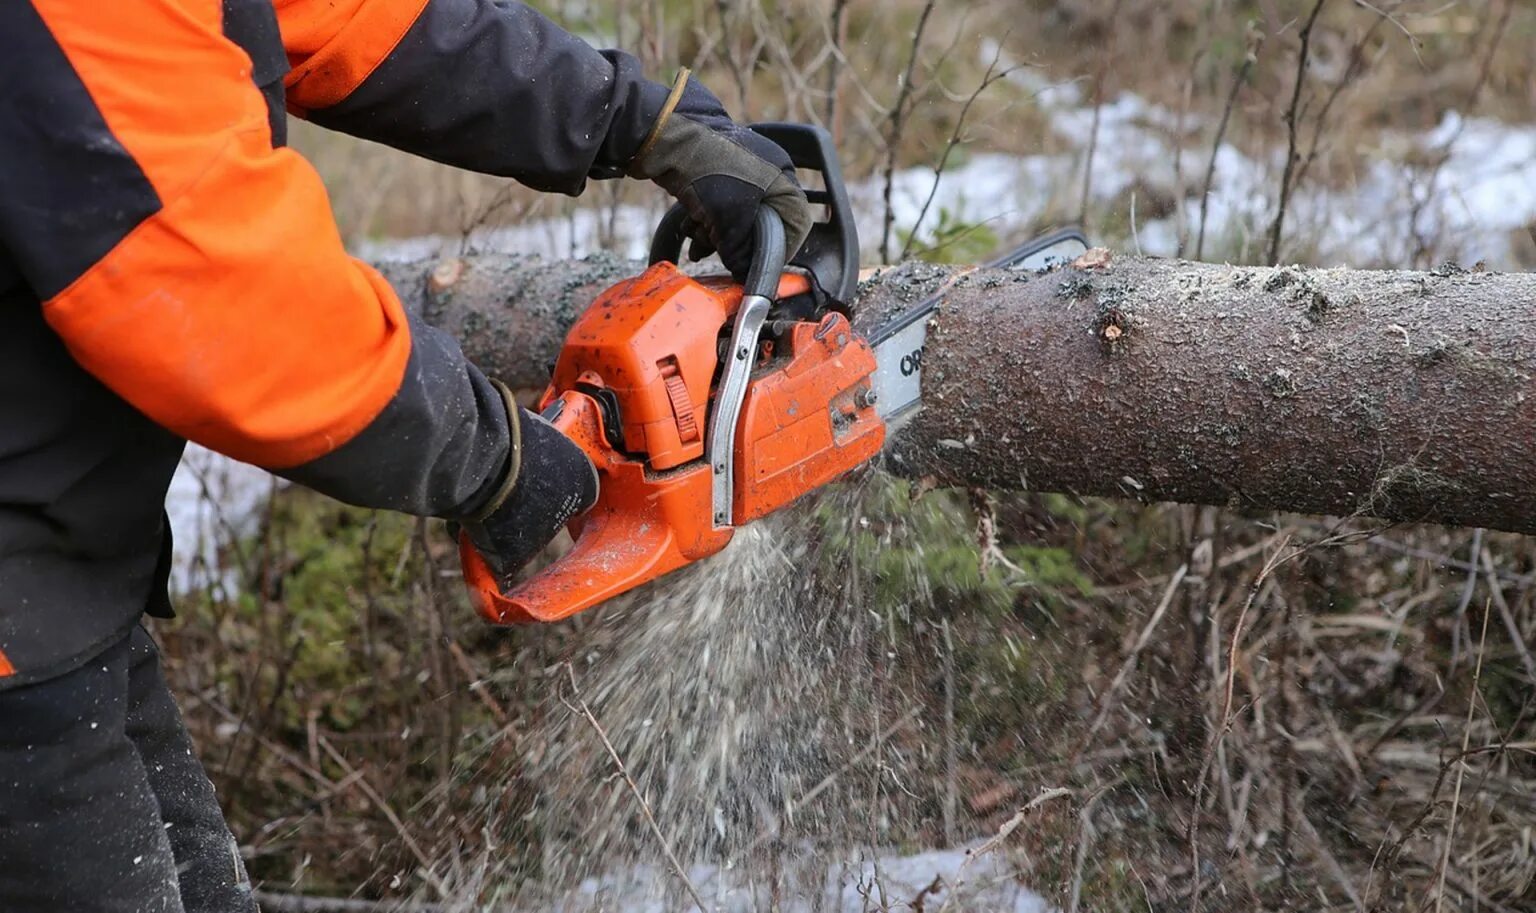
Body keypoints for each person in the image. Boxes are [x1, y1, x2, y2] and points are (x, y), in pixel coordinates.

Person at [0, 1, 812, 909]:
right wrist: (489, 455)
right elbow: (222, 299)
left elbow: (354, 18)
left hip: (59, 596)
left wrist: (632, 118)